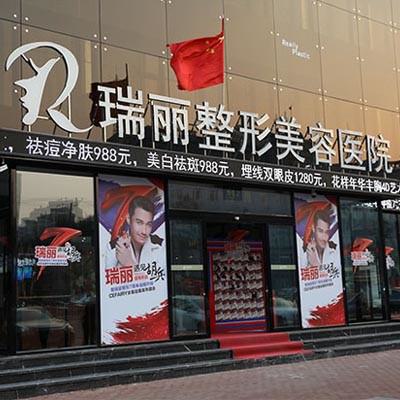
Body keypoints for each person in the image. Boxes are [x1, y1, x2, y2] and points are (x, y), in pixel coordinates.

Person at [113, 196, 157, 267]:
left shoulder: (161, 246)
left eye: (148, 224)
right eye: (139, 222)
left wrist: (128, 263)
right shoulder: (112, 248)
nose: (144, 231)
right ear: (128, 219)